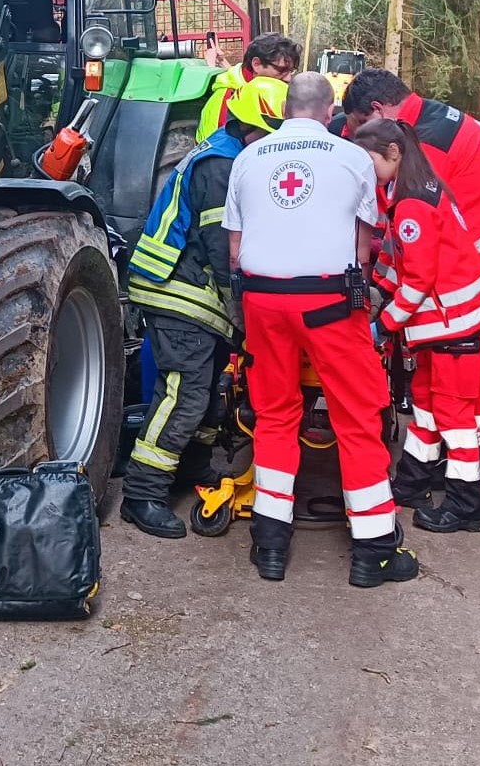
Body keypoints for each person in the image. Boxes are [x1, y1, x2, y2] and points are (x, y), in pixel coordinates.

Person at [225, 71, 418, 588]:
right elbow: (362, 246)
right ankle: (374, 552)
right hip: (330, 301)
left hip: (263, 300)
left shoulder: (247, 159)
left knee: (274, 415)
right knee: (357, 415)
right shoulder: (352, 157)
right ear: (329, 108)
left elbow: (236, 252)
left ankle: (269, 544)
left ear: (287, 107)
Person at [341, 69, 480, 470]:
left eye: (360, 130)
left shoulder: (419, 149)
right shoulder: (428, 119)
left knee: (458, 364)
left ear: (376, 110)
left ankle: (459, 456)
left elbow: (413, 237)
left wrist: (386, 306)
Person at [353, 118, 480, 533]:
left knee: (455, 420)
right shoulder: (416, 190)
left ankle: (466, 506)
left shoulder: (413, 204)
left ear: (393, 154)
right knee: (427, 406)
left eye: (370, 162)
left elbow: (419, 279)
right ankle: (413, 482)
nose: (368, 171)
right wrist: (377, 286)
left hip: (455, 329)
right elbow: (399, 260)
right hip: (450, 327)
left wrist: (383, 326)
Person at [122, 126, 243, 539]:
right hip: (178, 288)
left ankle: (192, 464)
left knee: (208, 390)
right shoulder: (221, 166)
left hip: (186, 286)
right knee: (185, 395)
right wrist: (241, 312)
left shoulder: (224, 151)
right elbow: (224, 249)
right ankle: (142, 492)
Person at [197, 32, 299, 142]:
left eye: (291, 71)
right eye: (282, 70)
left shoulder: (249, 85)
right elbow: (223, 146)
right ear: (256, 64)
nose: (288, 78)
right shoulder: (230, 99)